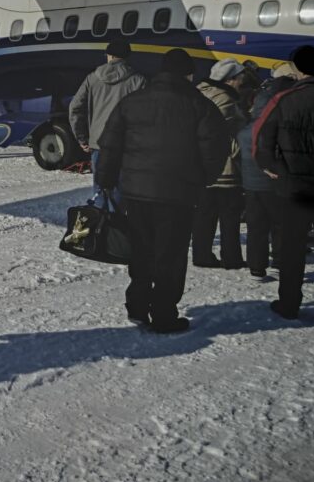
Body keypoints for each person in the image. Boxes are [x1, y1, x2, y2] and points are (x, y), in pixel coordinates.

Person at [96, 48, 228, 333]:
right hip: (178, 195)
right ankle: (165, 315)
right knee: (171, 255)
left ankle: (137, 306)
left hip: (137, 193)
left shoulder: (132, 102)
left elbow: (110, 144)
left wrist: (105, 179)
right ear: (189, 73)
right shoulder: (201, 105)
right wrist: (203, 180)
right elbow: (216, 150)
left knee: (141, 250)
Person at [254, 45, 314, 323]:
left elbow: (261, 142)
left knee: (292, 249)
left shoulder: (283, 100)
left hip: (293, 189)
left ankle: (289, 303)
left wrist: (273, 169)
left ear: (296, 68)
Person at [234, 64, 298, 278]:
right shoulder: (281, 123)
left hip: (251, 184)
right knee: (280, 223)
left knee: (256, 226)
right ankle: (279, 260)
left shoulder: (247, 127)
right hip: (276, 182)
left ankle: (256, 266)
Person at [191, 58, 250, 269]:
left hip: (202, 166)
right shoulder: (224, 99)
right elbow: (217, 132)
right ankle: (231, 257)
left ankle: (201, 254)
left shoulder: (199, 92)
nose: (242, 83)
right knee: (229, 214)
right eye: (240, 79)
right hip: (223, 165)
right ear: (230, 80)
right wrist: (238, 147)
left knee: (204, 213)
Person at [68, 39, 146, 200]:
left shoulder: (92, 78)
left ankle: (100, 222)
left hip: (98, 143)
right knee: (121, 190)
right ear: (127, 57)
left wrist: (82, 138)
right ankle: (116, 222)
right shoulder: (138, 81)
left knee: (100, 189)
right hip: (126, 145)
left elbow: (75, 108)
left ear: (109, 56)